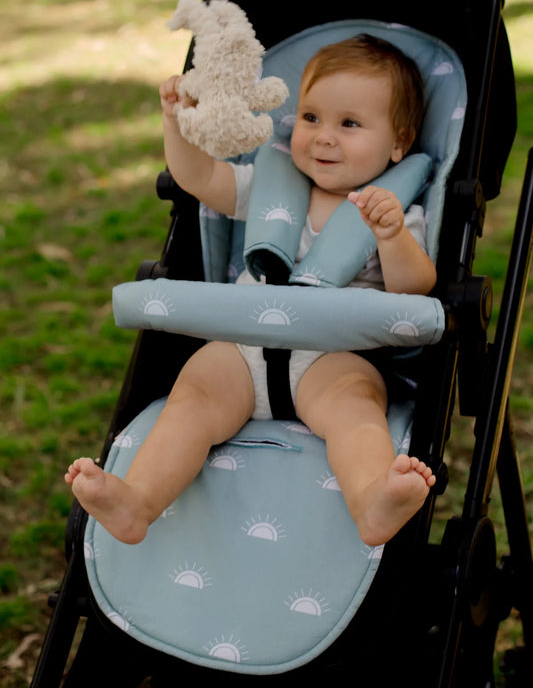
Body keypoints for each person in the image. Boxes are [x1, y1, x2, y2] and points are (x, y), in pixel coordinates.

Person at [65, 34, 437, 547]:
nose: (324, 137)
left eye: (349, 124)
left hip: (332, 359)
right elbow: (198, 177)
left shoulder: (392, 212)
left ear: (399, 142)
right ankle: (137, 501)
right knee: (192, 398)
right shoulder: (268, 187)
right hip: (242, 352)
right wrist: (177, 123)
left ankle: (371, 500)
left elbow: (414, 289)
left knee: (356, 410)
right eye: (311, 117)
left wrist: (391, 237)